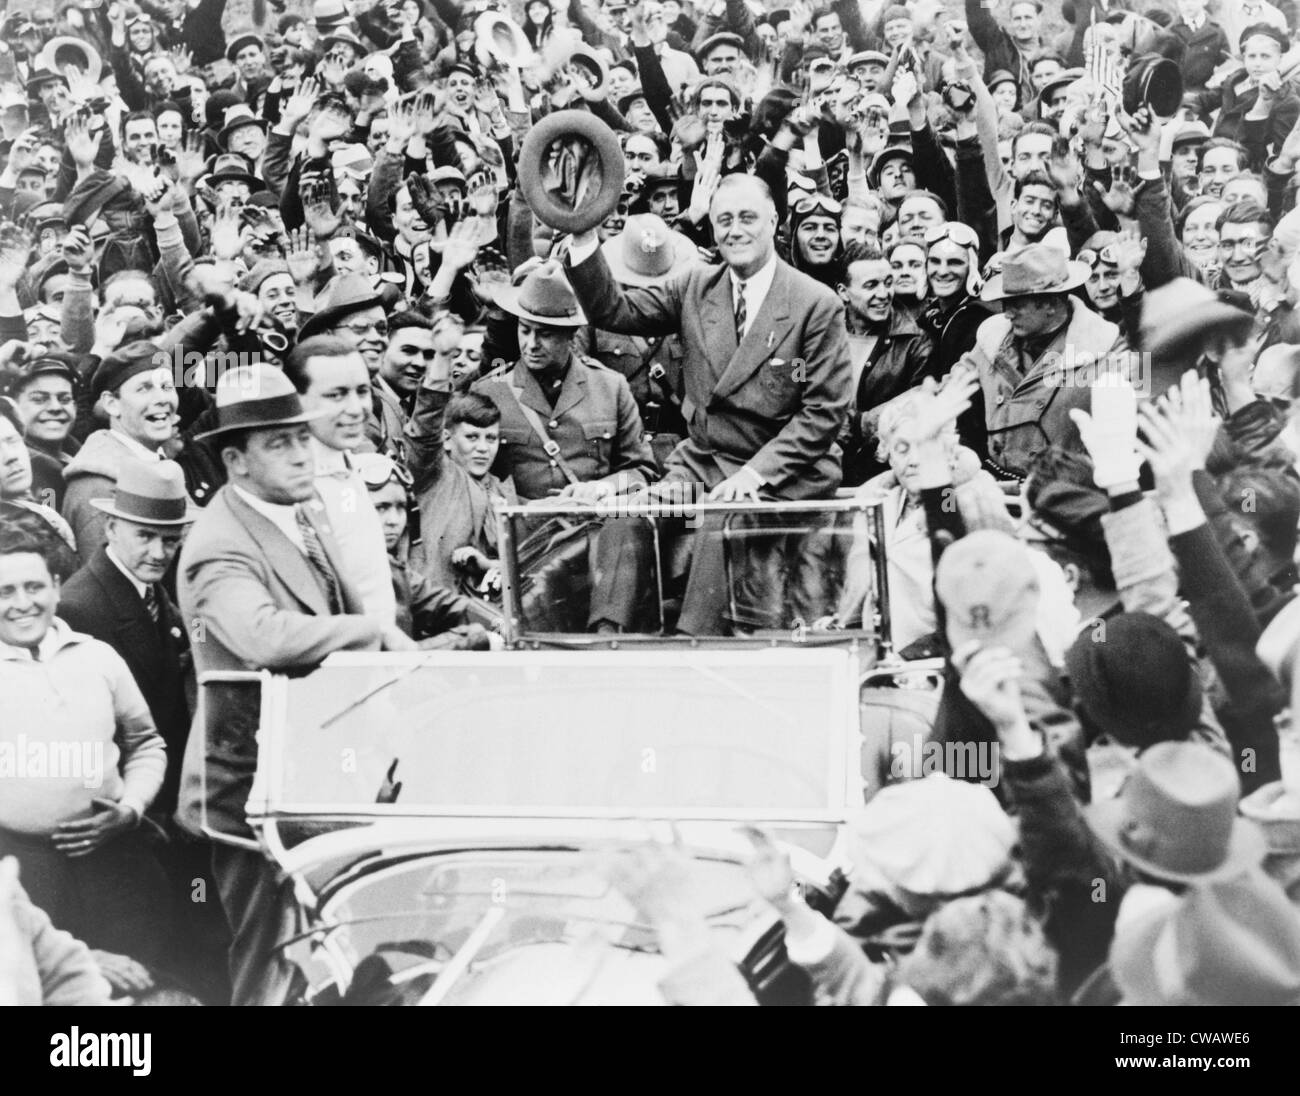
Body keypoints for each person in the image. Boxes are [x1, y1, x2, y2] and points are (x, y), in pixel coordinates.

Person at [175, 364, 414, 1007]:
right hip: (252, 796)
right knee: (272, 964)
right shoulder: (215, 544)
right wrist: (371, 632)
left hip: (315, 777)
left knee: (332, 948)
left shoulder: (301, 512)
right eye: (278, 442)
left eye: (302, 437)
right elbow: (262, 637)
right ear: (236, 460)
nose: (302, 453)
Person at [564, 172, 852, 634]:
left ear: (774, 221)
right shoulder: (694, 288)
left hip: (783, 473)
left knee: (723, 519)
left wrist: (754, 475)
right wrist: (583, 235)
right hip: (703, 468)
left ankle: (694, 644)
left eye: (747, 218)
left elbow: (823, 413)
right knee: (629, 514)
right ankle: (608, 642)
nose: (734, 230)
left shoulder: (814, 304)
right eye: (723, 221)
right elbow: (613, 311)